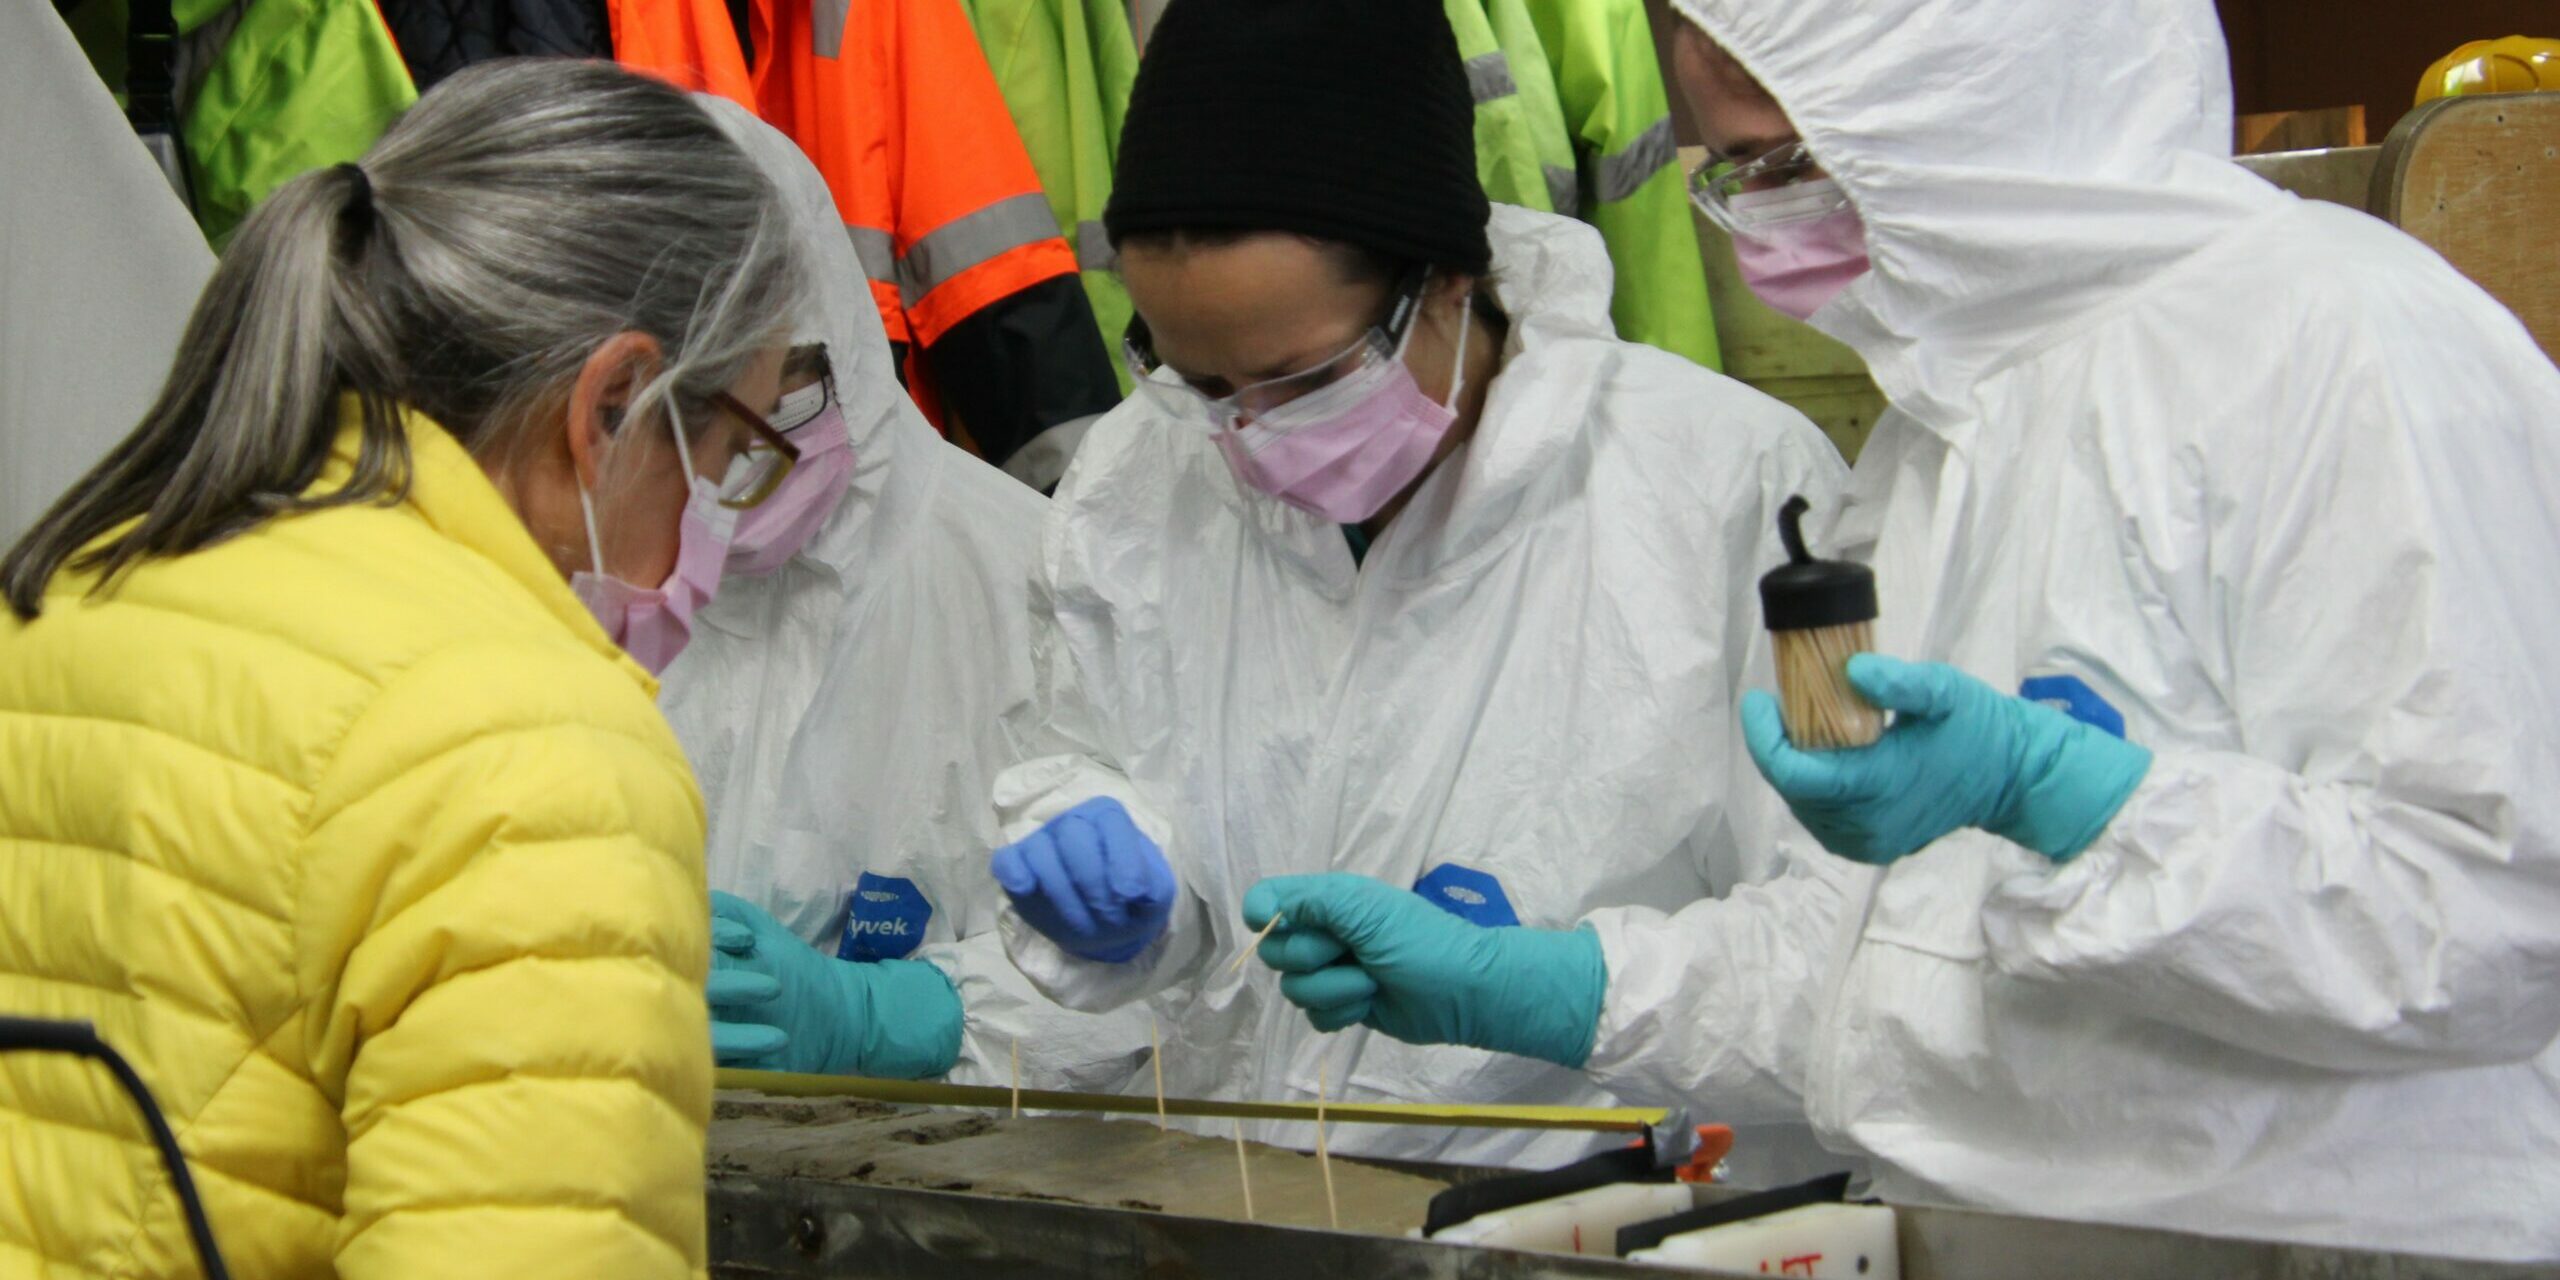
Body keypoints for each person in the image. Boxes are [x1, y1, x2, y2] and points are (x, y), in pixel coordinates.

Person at [1241, 0, 2560, 1260]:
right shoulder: (1950, 424)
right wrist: (1542, 984)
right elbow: (1884, 973)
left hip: (2329, 1243)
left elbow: (2494, 917)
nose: (1763, 226)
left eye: (1792, 163)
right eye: (1735, 174)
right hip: (1991, 1233)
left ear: (1964, 95)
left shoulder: (2340, 343)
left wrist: (2082, 806)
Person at [980, 0, 1847, 1173]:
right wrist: (1105, 858)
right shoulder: (1139, 473)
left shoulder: (1730, 485)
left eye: (1300, 378)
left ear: (1445, 281)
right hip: (1253, 1206)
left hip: (1595, 1226)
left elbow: (1843, 943)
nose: (1245, 433)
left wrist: (1562, 990)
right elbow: (1099, 753)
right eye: (1196, 375)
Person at [0, 61, 802, 1278]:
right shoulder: (535, 751)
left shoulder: (73, 589)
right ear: (612, 404)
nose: (723, 532)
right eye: (738, 453)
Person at [661, 96, 1151, 1094]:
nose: (738, 464)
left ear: (841, 334)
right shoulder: (574, 582)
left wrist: (906, 1016)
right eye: (695, 421)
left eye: (787, 396)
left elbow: (1158, 982)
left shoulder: (1027, 578)